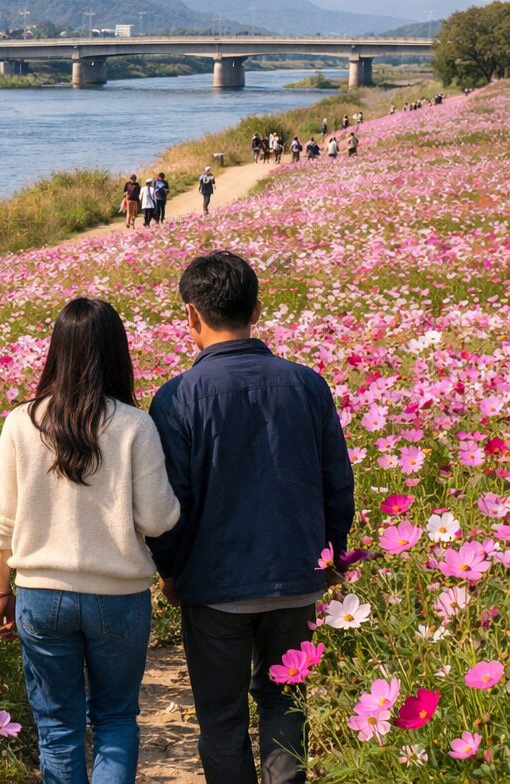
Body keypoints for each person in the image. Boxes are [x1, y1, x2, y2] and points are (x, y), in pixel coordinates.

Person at [146, 252, 354, 784]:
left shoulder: (176, 398)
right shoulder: (308, 385)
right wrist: (332, 555)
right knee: (286, 705)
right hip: (297, 576)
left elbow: (173, 503)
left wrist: (169, 572)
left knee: (222, 717)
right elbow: (337, 483)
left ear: (190, 316)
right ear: (256, 309)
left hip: (215, 587)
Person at [0, 298, 180, 784]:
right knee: (115, 716)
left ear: (57, 352)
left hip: (40, 595)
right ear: (118, 353)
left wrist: (0, 592)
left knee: (57, 725)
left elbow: (2, 523)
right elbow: (159, 520)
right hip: (117, 597)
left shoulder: (21, 422)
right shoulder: (135, 425)